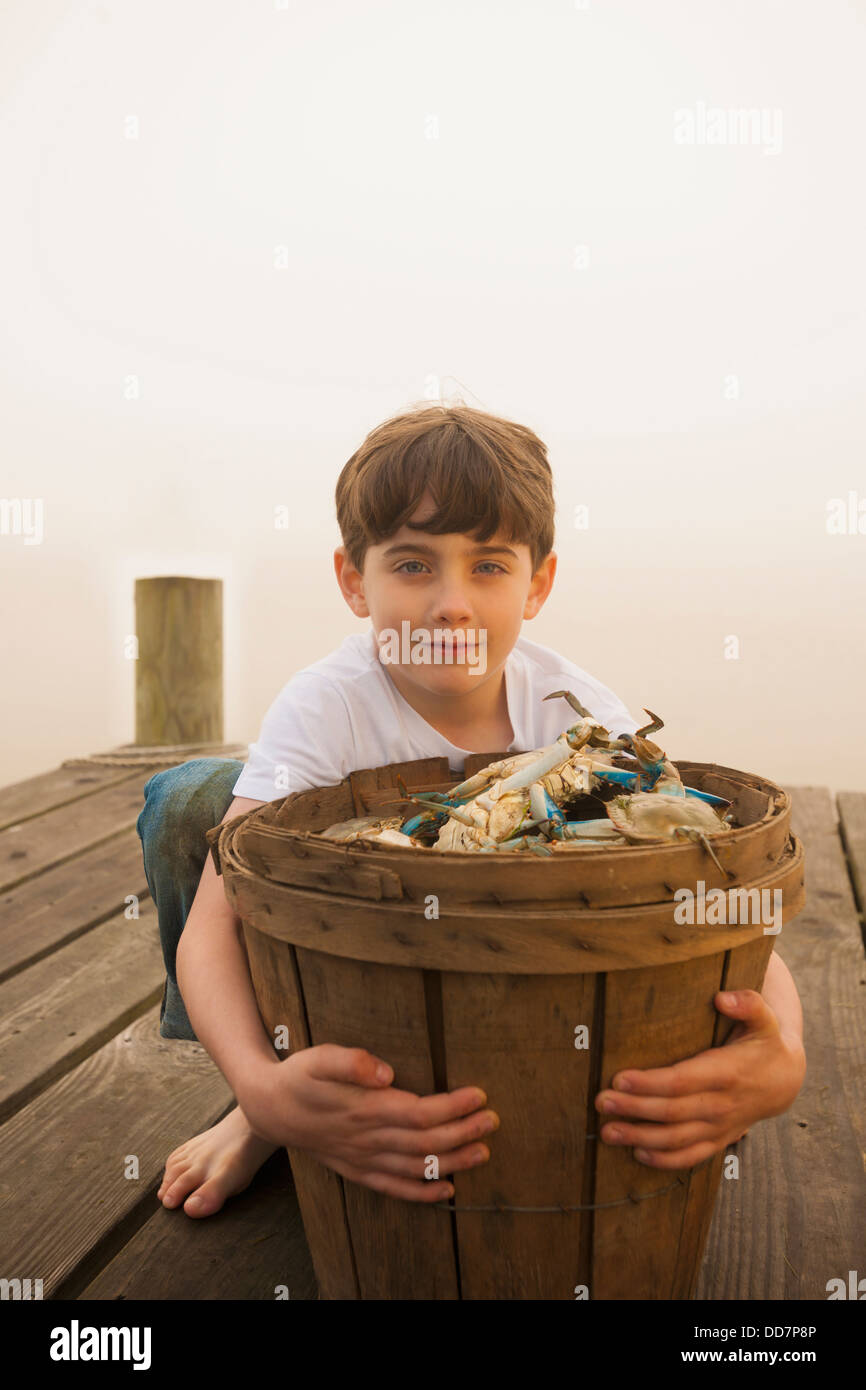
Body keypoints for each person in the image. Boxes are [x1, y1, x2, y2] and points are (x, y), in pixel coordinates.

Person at [137, 402, 806, 1220]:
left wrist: (788, 1054)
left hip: (515, 960)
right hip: (352, 953)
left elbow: (709, 886)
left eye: (489, 566)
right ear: (355, 580)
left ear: (539, 584)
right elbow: (219, 915)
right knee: (192, 802)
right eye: (413, 565)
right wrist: (260, 1088)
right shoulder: (326, 706)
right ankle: (266, 1111)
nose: (451, 604)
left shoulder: (580, 715)